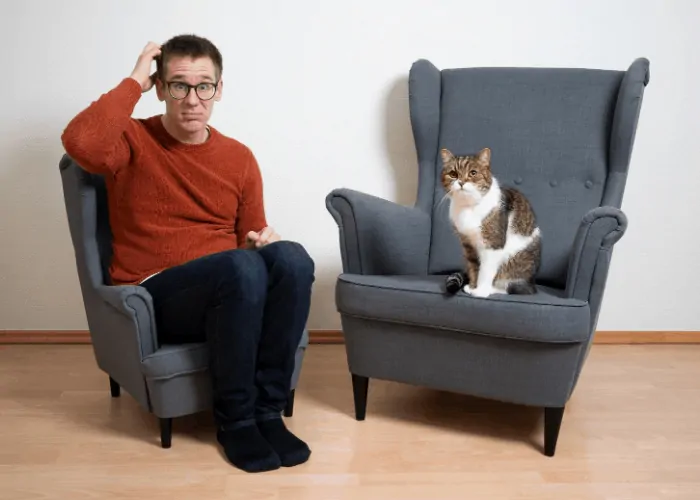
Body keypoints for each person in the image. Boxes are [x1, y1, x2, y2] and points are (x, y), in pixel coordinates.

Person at [61, 34, 315, 473]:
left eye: (204, 86)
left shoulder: (239, 157)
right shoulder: (131, 141)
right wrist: (134, 79)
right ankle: (234, 422)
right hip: (158, 293)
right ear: (161, 89)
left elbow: (247, 238)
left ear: (219, 89)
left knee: (292, 258)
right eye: (178, 85)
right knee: (239, 268)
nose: (192, 99)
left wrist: (263, 243)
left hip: (227, 286)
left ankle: (267, 412)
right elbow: (80, 142)